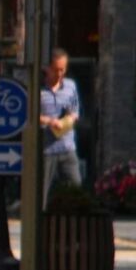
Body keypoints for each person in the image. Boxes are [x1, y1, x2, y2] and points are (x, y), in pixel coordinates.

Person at [38, 48, 83, 197]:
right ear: (47, 68)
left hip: (67, 147)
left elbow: (75, 110)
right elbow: (29, 115)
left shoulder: (70, 86)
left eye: (63, 70)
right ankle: (41, 218)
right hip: (46, 150)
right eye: (56, 70)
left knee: (76, 189)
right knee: (42, 194)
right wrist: (50, 121)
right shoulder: (38, 89)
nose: (60, 74)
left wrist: (70, 118)